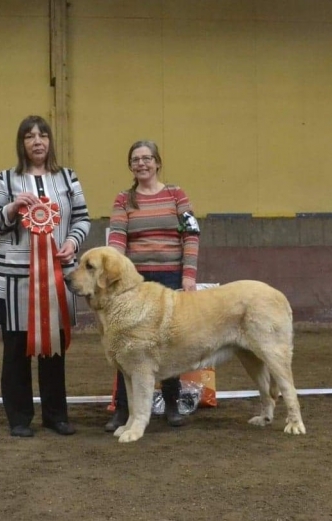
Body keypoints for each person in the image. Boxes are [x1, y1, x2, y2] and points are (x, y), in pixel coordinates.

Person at [0, 115, 90, 438]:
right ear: (22, 143)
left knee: (54, 347)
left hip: (58, 276)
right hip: (14, 281)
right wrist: (12, 209)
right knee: (15, 350)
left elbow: (82, 219)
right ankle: (19, 418)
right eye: (30, 136)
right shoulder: (5, 179)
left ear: (50, 142)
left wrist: (72, 242)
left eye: (43, 135)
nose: (37, 141)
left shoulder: (68, 178)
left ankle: (56, 416)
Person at [105, 140, 199, 432]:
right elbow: (117, 240)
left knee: (168, 343)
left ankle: (172, 405)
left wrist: (189, 275)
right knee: (127, 346)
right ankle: (123, 409)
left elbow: (191, 234)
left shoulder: (176, 194)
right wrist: (114, 270)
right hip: (136, 284)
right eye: (136, 159)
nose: (141, 163)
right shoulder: (124, 200)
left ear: (158, 163)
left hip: (172, 279)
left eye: (147, 158)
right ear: (130, 166)